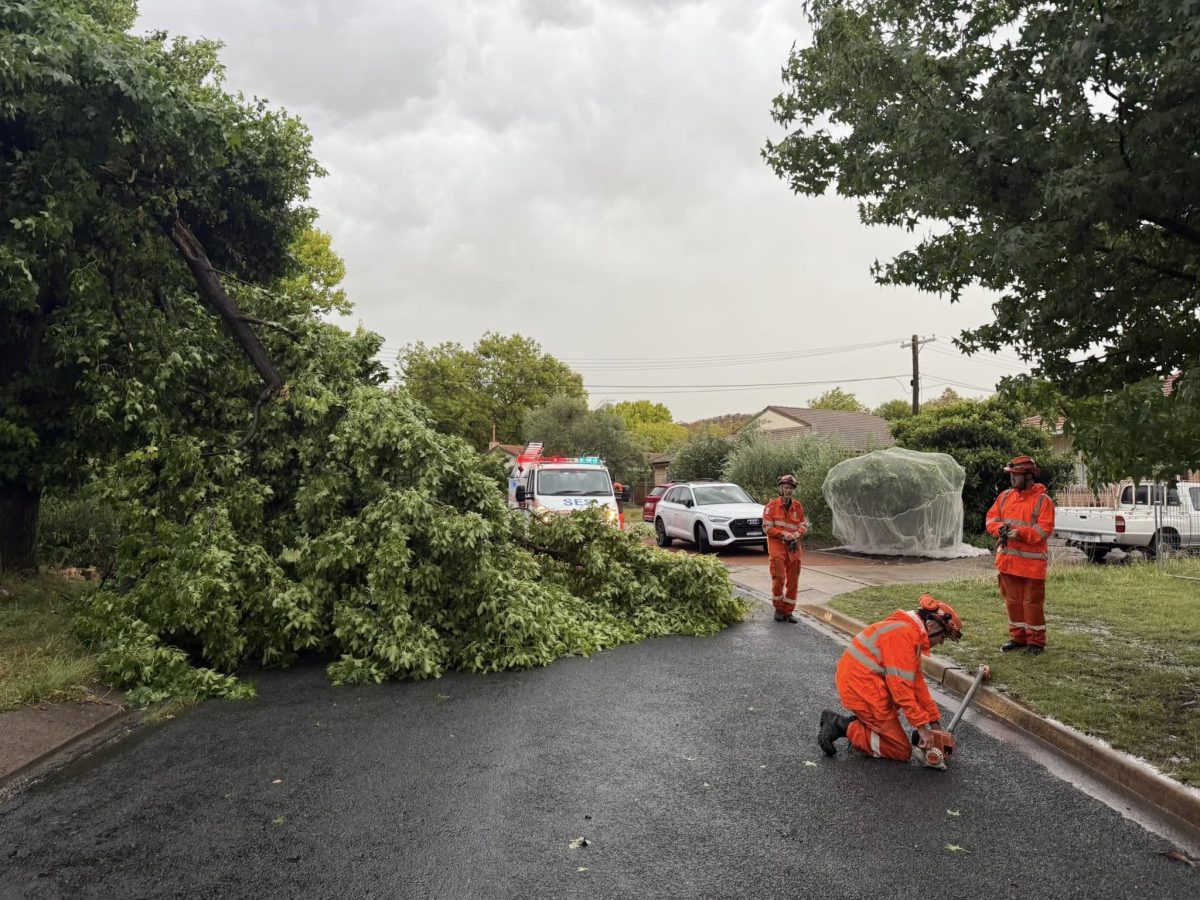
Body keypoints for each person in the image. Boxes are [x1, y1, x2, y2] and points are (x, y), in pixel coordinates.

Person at [818, 594, 963, 762]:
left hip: (864, 684)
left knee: (899, 708)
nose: (941, 642)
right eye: (943, 636)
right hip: (862, 689)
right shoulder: (905, 636)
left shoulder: (909, 633)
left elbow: (916, 685)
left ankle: (867, 725)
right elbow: (901, 689)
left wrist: (933, 721)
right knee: (900, 750)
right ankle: (841, 726)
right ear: (931, 626)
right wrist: (922, 728)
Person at [985, 455, 1056, 656]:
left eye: (1015, 475)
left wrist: (1020, 533)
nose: (1012, 479)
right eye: (1011, 475)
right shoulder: (1005, 496)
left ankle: (1036, 642)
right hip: (1007, 562)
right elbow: (991, 520)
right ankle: (1018, 638)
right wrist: (1001, 530)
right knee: (1012, 602)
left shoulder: (1043, 501)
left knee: (1031, 604)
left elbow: (1044, 530)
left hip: (1032, 566)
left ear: (1028, 476)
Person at [763, 474, 808, 623]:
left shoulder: (798, 507)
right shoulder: (771, 507)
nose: (788, 491)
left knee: (793, 580)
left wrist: (798, 533)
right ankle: (779, 609)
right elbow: (767, 528)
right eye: (786, 488)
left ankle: (789, 611)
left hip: (794, 548)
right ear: (780, 488)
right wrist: (784, 534)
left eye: (791, 488)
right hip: (777, 548)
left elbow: (803, 524)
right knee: (779, 578)